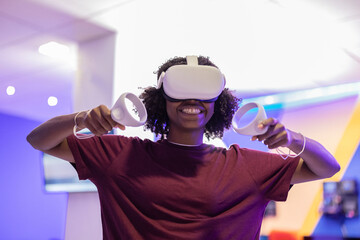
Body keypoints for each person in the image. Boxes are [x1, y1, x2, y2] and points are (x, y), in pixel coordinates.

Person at [27, 55, 340, 240]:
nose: (193, 101)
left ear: (217, 103)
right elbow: (39, 140)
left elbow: (327, 167)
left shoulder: (245, 165)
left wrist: (292, 140)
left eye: (203, 92)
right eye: (181, 91)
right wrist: (81, 118)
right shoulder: (119, 155)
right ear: (162, 100)